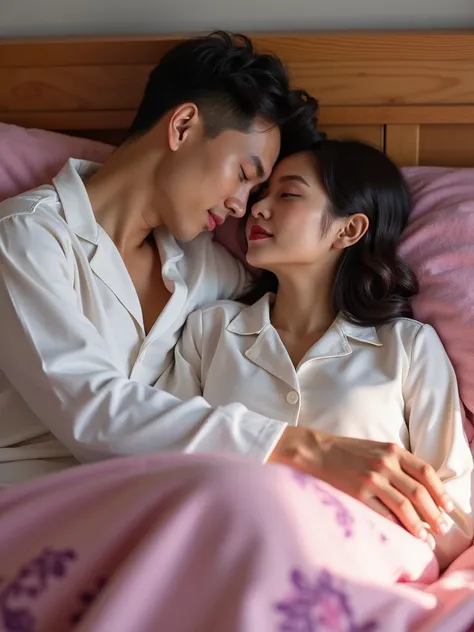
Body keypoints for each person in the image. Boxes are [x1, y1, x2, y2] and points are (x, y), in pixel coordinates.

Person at [0, 31, 319, 485]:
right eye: (244, 175)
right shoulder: (26, 237)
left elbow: (295, 298)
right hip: (26, 501)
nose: (240, 207)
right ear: (183, 125)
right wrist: (302, 447)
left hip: (143, 502)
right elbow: (92, 411)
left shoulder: (204, 266)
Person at [157, 139, 473, 568]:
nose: (258, 208)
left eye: (287, 194)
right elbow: (162, 456)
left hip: (362, 573)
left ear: (349, 229)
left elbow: (452, 514)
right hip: (222, 559)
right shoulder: (209, 330)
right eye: (261, 194)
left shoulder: (409, 346)